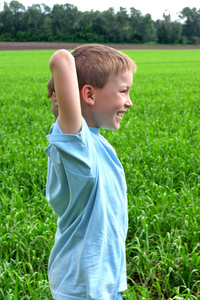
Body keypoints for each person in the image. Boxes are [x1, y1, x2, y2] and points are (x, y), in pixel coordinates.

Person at [45, 44, 137, 300]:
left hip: (101, 284)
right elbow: (61, 59)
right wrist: (60, 90)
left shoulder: (95, 142)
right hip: (83, 289)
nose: (129, 102)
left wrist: (63, 110)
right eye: (123, 91)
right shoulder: (80, 148)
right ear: (88, 94)